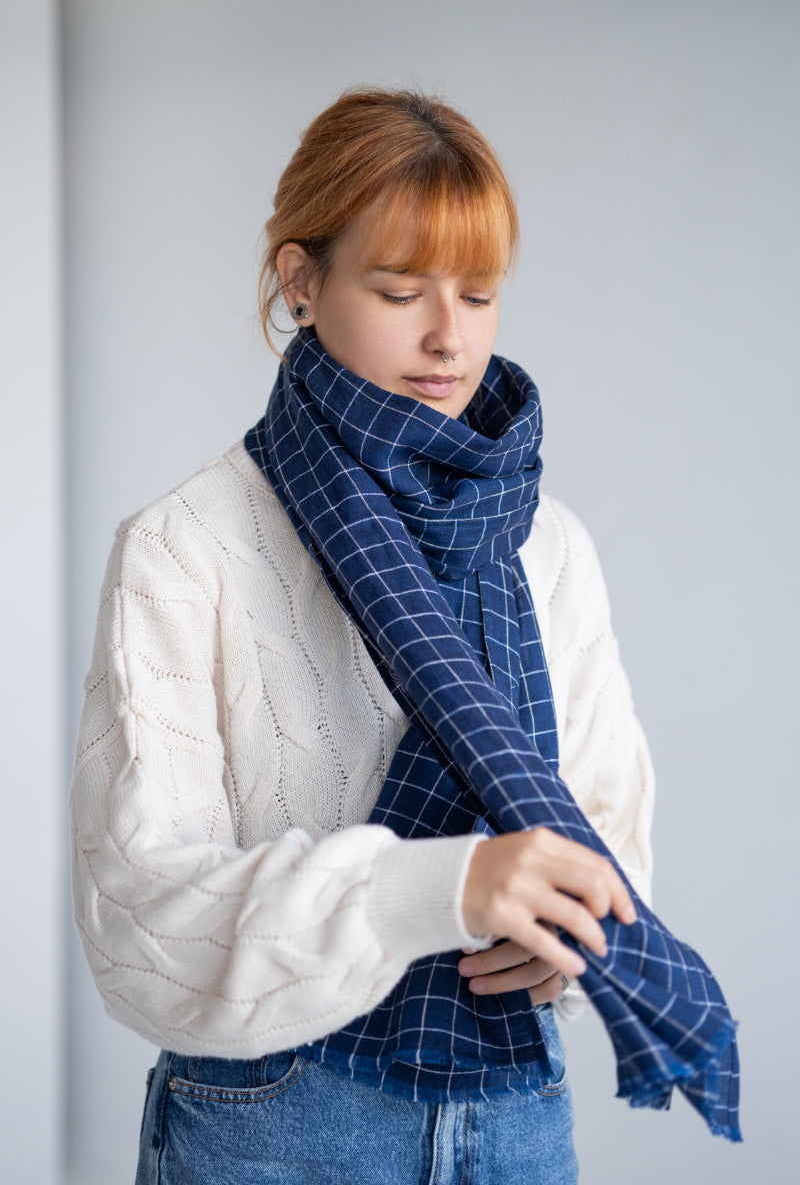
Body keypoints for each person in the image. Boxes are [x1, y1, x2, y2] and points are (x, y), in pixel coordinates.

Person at [71, 87, 670, 1184]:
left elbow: (607, 833)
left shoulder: (548, 545)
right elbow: (139, 927)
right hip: (276, 1125)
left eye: (479, 295)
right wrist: (445, 888)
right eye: (399, 291)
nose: (449, 339)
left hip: (518, 1113)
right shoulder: (186, 548)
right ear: (300, 283)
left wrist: (576, 937)